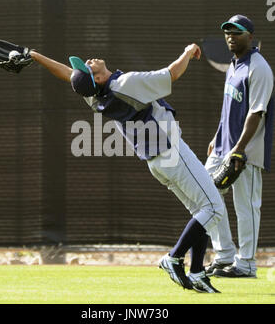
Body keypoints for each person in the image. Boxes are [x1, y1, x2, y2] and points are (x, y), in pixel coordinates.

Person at [28, 44, 224, 293]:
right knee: (214, 208)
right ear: (97, 78)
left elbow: (68, 75)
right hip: (170, 151)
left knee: (201, 210)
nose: (87, 61)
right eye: (87, 68)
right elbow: (172, 73)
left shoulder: (95, 96)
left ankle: (197, 271)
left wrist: (35, 56)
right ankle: (174, 257)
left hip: (157, 161)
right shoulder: (126, 84)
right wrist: (188, 52)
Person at [205, 15, 274, 278]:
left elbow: (256, 112)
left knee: (246, 206)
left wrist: (239, 148)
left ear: (250, 36)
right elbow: (228, 111)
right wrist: (217, 137)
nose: (231, 36)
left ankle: (246, 263)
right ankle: (224, 255)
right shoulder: (234, 65)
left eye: (237, 32)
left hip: (246, 151)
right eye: (227, 32)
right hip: (223, 146)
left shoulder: (259, 67)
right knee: (206, 197)